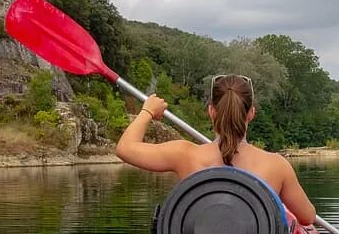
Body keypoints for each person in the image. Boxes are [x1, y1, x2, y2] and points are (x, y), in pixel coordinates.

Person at [115, 74, 316, 225]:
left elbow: (125, 148)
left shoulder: (184, 155)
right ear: (251, 113)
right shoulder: (276, 165)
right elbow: (307, 217)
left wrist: (147, 110)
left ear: (211, 111)